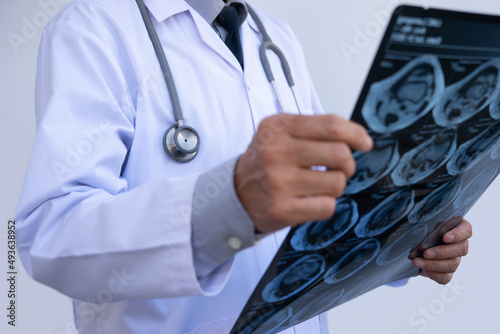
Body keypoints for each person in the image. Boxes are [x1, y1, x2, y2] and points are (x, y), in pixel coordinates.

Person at [15, 0, 472, 333]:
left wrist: (405, 238)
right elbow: (52, 235)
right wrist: (229, 205)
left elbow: (319, 200)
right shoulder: (93, 27)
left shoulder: (275, 38)